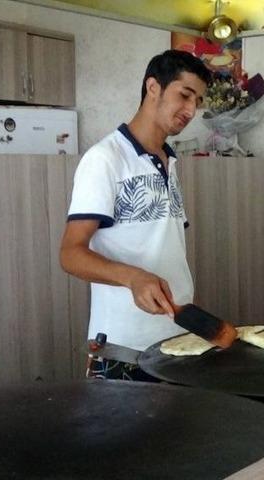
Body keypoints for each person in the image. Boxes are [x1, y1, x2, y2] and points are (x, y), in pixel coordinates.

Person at [59, 50, 211, 379]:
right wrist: (133, 277)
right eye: (184, 95)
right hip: (124, 349)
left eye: (197, 101)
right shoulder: (104, 159)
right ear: (153, 87)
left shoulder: (171, 161)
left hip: (176, 338)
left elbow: (162, 249)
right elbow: (71, 254)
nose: (190, 110)